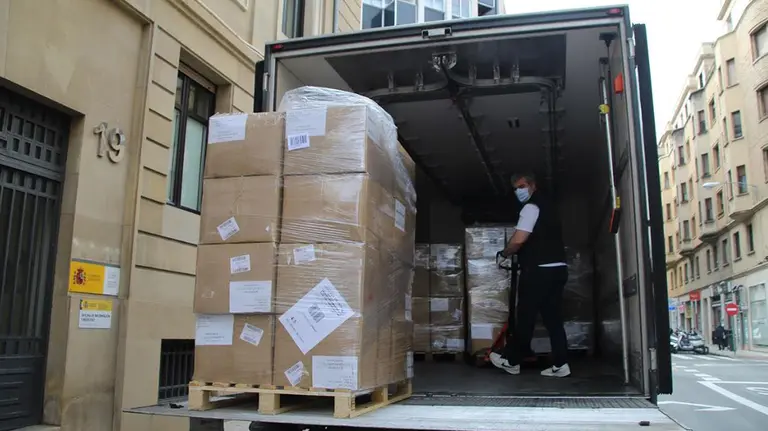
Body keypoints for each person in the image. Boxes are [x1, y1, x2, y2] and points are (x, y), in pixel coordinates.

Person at [491, 173, 570, 378]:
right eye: (516, 188)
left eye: (522, 186)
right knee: (553, 319)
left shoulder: (531, 207)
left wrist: (504, 254)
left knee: (525, 316)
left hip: (539, 271)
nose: (519, 191)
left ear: (533, 185)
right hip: (558, 269)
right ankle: (561, 364)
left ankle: (511, 361)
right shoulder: (550, 207)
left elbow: (519, 240)